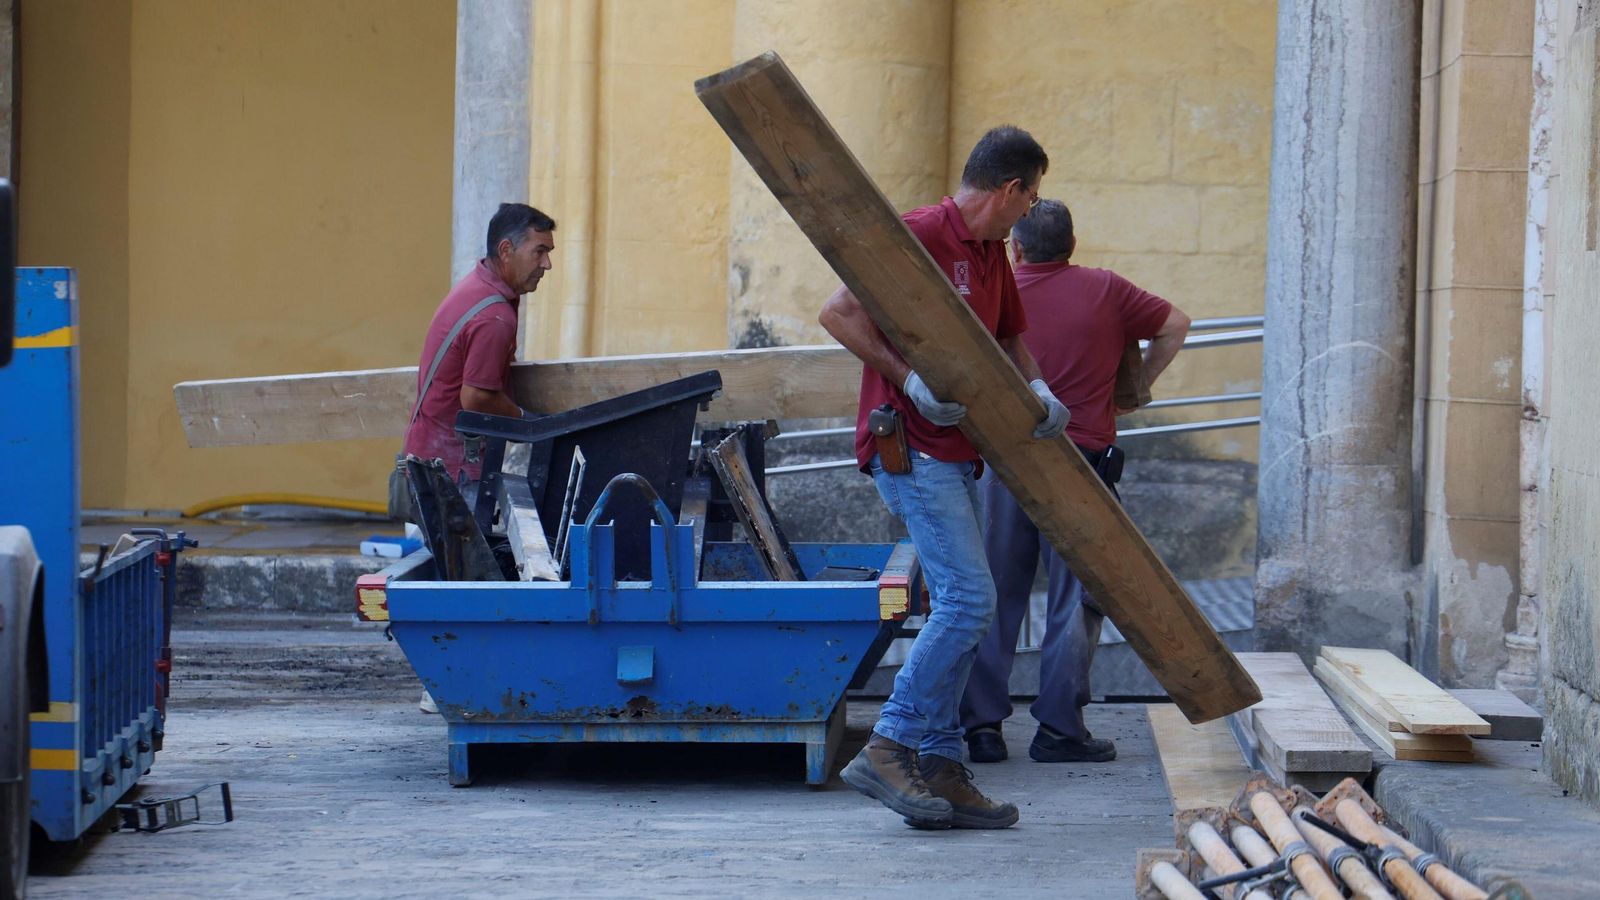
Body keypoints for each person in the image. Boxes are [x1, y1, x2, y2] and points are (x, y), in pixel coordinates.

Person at [820, 127, 1068, 830]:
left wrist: (1039, 388)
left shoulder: (990, 252)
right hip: (911, 449)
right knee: (969, 601)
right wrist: (908, 379)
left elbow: (1010, 337)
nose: (1030, 211)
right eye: (1031, 198)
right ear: (1011, 189)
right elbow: (838, 313)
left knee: (961, 609)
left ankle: (942, 765)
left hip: (959, 452)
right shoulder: (919, 233)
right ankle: (891, 742)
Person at [959, 199, 1191, 764]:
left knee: (994, 595)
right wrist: (1133, 392)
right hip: (1082, 466)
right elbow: (1175, 325)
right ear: (1072, 245)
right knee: (1074, 601)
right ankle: (1060, 731)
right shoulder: (1106, 288)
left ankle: (982, 729)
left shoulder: (997, 291)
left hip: (1006, 464)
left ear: (1016, 248)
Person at [402, 202, 555, 713]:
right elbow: (478, 397)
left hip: (431, 456)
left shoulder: (477, 289)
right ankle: (450, 687)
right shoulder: (493, 315)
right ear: (506, 250)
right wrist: (530, 422)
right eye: (540, 251)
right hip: (452, 466)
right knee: (466, 581)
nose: (547, 264)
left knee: (457, 575)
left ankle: (450, 682)